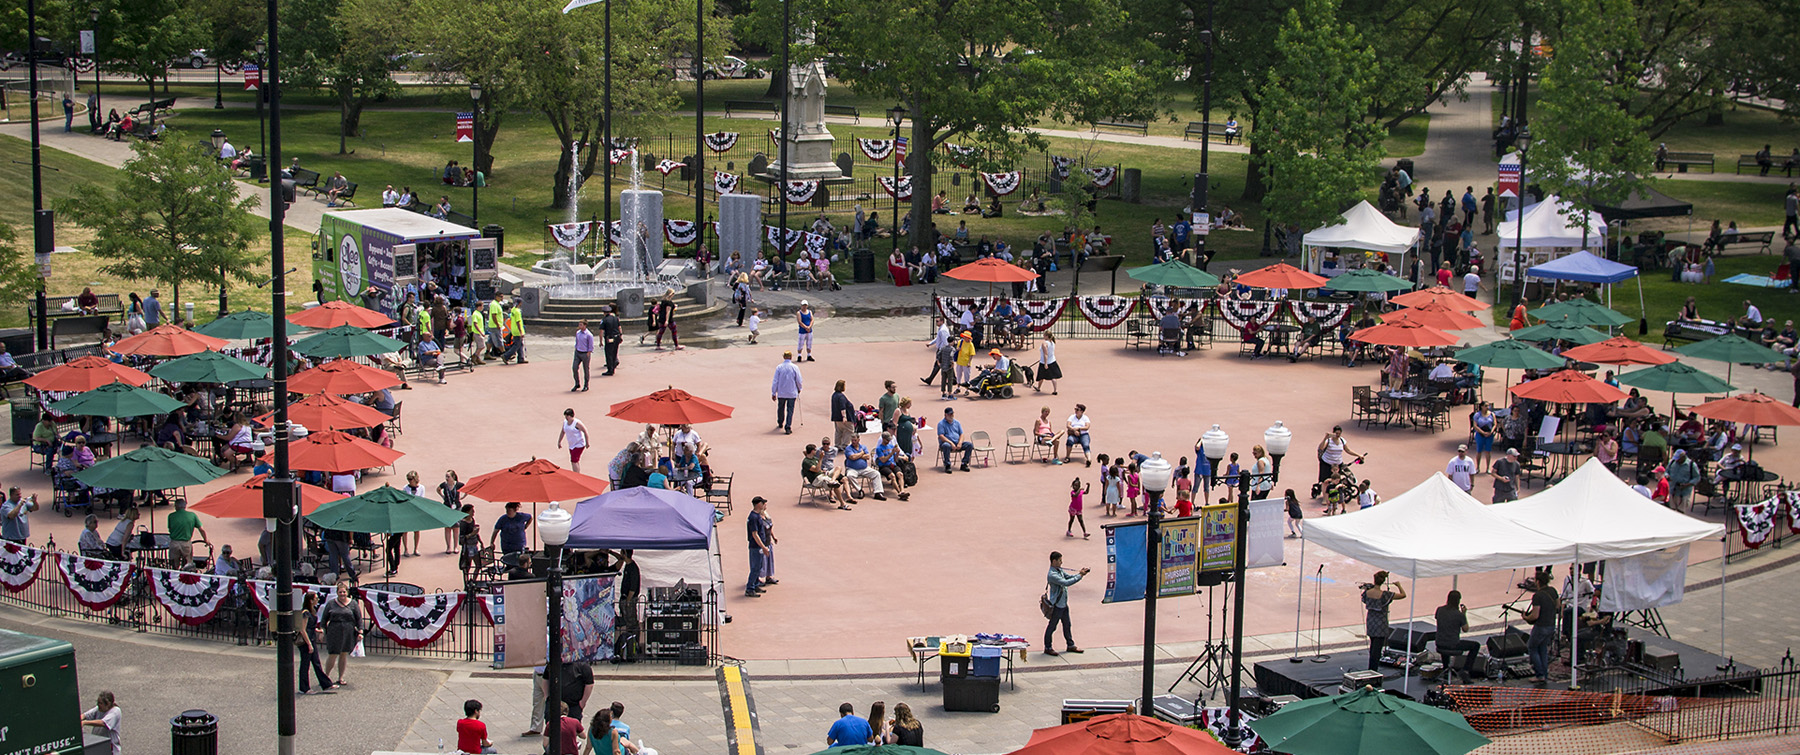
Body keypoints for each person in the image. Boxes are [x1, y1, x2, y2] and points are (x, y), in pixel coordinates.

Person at [1043, 551, 1089, 655]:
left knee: (1067, 624)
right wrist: (1080, 576)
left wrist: (1079, 573)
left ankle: (1070, 645)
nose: (1061, 562)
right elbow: (1066, 582)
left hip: (1063, 604)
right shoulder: (1052, 574)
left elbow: (1068, 577)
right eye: (1059, 560)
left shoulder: (1059, 570)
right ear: (1054, 561)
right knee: (1052, 626)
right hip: (1057, 605)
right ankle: (1048, 647)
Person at [1361, 570, 1405, 671]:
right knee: (1377, 648)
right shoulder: (1385, 594)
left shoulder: (1367, 593)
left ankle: (1371, 668)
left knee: (1373, 646)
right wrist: (1398, 585)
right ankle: (1373, 670)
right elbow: (1403, 595)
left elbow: (1364, 600)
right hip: (1381, 623)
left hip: (1371, 622)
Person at [297, 592, 338, 695]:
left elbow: (310, 627)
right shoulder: (305, 612)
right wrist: (309, 644)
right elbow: (303, 629)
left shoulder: (312, 611)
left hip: (311, 638)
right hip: (306, 641)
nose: (317, 600)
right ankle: (304, 688)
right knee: (305, 664)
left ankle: (326, 684)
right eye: (316, 598)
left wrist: (317, 631)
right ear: (311, 600)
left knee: (316, 663)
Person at [1435, 590, 1482, 680]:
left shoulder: (1439, 610)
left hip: (1439, 642)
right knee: (1475, 645)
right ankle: (1465, 670)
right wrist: (1464, 614)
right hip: (1453, 644)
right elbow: (1466, 629)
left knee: (1445, 641)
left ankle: (1446, 668)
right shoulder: (1459, 615)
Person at [1523, 571, 1560, 684]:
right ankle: (1544, 673)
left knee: (1532, 647)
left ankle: (1539, 674)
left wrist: (1526, 617)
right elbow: (1558, 605)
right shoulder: (1553, 591)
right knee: (1543, 649)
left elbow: (1535, 615)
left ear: (1538, 582)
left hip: (1541, 626)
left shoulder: (1537, 596)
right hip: (1551, 625)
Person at [323, 578, 362, 686]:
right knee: (333, 653)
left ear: (347, 592)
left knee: (344, 654)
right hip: (334, 631)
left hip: (348, 631)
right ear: (337, 593)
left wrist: (360, 631)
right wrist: (322, 631)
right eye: (340, 592)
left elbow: (358, 618)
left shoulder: (353, 604)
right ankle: (325, 677)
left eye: (344, 592)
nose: (342, 594)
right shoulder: (331, 604)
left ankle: (340, 677)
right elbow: (324, 619)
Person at [1315, 426, 1364, 498]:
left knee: (1339, 478)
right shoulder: (1329, 441)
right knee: (1325, 481)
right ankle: (1325, 498)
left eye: (1339, 433)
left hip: (1338, 463)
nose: (1338, 435)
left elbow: (1348, 450)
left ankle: (1337, 493)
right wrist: (1325, 438)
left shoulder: (1342, 440)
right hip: (1327, 462)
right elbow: (1321, 447)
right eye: (1336, 433)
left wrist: (1358, 455)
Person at [164, 496, 206, 567]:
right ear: (185, 506)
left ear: (176, 506)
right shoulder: (192, 515)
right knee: (187, 566)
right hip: (186, 543)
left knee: (174, 566)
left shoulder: (171, 516)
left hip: (174, 543)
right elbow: (201, 529)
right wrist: (205, 540)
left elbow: (170, 529)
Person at [491, 502, 533, 569]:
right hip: (507, 545)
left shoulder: (521, 516)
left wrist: (525, 526)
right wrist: (492, 542)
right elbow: (496, 530)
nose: (508, 512)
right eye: (507, 510)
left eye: (509, 510)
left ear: (514, 510)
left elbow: (530, 517)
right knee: (509, 562)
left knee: (519, 563)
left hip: (519, 544)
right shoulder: (503, 519)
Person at [80, 691, 122, 755]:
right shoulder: (99, 709)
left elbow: (103, 723)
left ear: (107, 704)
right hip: (99, 745)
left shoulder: (115, 712)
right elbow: (85, 715)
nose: (97, 704)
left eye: (100, 703)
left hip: (110, 749)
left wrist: (85, 723)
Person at [771, 351, 804, 435]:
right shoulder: (795, 367)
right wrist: (799, 388)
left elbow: (775, 381)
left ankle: (780, 421)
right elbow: (799, 380)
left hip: (782, 392)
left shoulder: (779, 367)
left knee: (780, 408)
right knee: (790, 410)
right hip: (791, 392)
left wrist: (774, 392)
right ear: (791, 357)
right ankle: (788, 426)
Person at [746, 497, 771, 597]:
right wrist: (763, 547)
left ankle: (755, 584)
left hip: (759, 546)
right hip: (755, 546)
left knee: (759, 566)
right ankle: (750, 588)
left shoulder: (757, 516)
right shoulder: (754, 517)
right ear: (758, 504)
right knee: (755, 567)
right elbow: (755, 534)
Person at [873, 432, 909, 501]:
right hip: (884, 466)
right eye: (887, 440)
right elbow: (883, 460)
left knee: (900, 474)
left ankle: (902, 490)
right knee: (892, 476)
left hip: (892, 464)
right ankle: (899, 492)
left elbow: (895, 459)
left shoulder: (891, 446)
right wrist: (891, 453)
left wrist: (897, 453)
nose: (888, 441)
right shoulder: (879, 448)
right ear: (883, 439)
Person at [937, 407, 974, 473]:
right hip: (947, 443)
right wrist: (951, 443)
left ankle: (964, 463)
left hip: (957, 442)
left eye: (952, 414)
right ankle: (947, 465)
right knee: (946, 445)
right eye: (950, 414)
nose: (951, 415)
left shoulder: (957, 423)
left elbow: (961, 434)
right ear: (945, 415)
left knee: (969, 445)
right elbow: (941, 436)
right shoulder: (941, 424)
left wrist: (960, 443)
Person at [559, 408, 591, 474]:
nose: (566, 418)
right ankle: (577, 473)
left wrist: (587, 442)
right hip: (571, 444)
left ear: (571, 416)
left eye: (567, 416)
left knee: (574, 460)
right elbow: (562, 432)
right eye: (565, 416)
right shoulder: (565, 422)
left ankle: (576, 475)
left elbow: (585, 431)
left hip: (579, 444)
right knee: (575, 460)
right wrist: (559, 441)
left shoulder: (577, 423)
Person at [830, 380, 856, 448]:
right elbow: (843, 407)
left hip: (836, 417)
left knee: (839, 431)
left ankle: (837, 444)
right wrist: (844, 417)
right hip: (844, 417)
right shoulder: (841, 396)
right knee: (849, 430)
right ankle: (844, 445)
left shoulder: (834, 395)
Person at [599, 306, 622, 377]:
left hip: (610, 338)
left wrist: (600, 341)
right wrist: (621, 336)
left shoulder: (604, 320)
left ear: (604, 313)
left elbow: (601, 332)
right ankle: (614, 364)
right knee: (615, 352)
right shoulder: (615, 318)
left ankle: (610, 370)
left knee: (609, 353)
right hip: (617, 336)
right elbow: (619, 327)